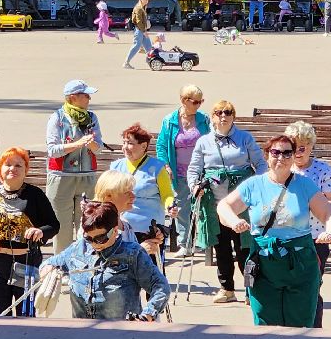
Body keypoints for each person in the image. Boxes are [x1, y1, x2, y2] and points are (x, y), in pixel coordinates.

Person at [216, 134, 331, 327]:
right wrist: (234, 221)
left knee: (300, 323)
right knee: (265, 322)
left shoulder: (304, 184)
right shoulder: (254, 185)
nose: (281, 157)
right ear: (266, 155)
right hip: (264, 261)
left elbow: (328, 212)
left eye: (287, 153)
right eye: (275, 152)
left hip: (300, 262)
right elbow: (224, 206)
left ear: (293, 157)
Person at [186, 100, 267, 303]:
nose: (223, 116)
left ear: (234, 116)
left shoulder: (245, 138)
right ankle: (226, 289)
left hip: (243, 201)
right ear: (212, 117)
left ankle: (251, 290)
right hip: (214, 201)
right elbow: (194, 168)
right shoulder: (203, 142)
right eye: (219, 112)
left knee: (245, 248)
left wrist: (261, 188)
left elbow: (260, 164)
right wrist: (194, 186)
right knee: (220, 246)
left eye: (228, 112)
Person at [0, 148, 59, 316]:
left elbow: (53, 225)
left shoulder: (35, 194)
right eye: (7, 165)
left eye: (18, 165)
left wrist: (41, 232)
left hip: (27, 262)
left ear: (26, 170)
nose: (12, 169)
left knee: (26, 314)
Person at [44, 200, 170, 320]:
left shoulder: (133, 254)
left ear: (115, 231)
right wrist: (47, 269)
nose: (94, 244)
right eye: (89, 238)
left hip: (122, 335)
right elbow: (49, 264)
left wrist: (147, 315)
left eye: (100, 238)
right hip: (82, 335)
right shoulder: (77, 249)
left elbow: (160, 286)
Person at [287, 120, 331, 327]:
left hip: (315, 239)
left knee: (312, 286)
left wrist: (311, 205)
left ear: (311, 146)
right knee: (289, 285)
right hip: (287, 237)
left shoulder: (321, 169)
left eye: (303, 147)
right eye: (293, 147)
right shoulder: (282, 168)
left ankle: (313, 328)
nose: (298, 152)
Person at [45, 80, 109, 253]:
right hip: (61, 178)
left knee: (88, 226)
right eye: (85, 95)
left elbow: (99, 148)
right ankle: (62, 267)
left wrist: (91, 145)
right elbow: (52, 150)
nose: (89, 98)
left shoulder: (92, 117)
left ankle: (85, 267)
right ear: (73, 98)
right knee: (62, 228)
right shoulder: (57, 118)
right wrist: (77, 144)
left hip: (86, 178)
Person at [106, 124, 175, 261]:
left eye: (130, 143)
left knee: (150, 271)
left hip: (148, 229)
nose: (125, 147)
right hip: (121, 229)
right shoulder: (116, 166)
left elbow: (167, 194)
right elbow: (106, 193)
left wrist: (171, 206)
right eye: (124, 143)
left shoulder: (157, 167)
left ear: (143, 146)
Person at [156, 85, 209, 258]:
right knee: (181, 207)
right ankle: (185, 244)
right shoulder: (169, 120)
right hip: (178, 172)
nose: (198, 105)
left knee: (202, 207)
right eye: (195, 102)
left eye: (201, 101)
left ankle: (202, 242)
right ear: (184, 101)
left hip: (200, 172)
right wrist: (166, 166)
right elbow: (161, 146)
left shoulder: (204, 120)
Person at [123, 0, 155, 69]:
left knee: (149, 48)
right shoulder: (138, 8)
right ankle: (126, 63)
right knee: (136, 46)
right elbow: (138, 21)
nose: (147, 1)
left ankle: (151, 63)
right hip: (139, 30)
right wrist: (144, 31)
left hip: (142, 30)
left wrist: (145, 31)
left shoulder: (143, 7)